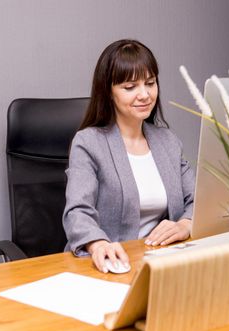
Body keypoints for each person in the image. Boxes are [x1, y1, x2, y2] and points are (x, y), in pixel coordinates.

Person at [63, 39, 195, 273]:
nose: (144, 94)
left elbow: (197, 199)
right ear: (109, 92)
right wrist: (97, 243)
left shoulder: (168, 141)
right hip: (108, 266)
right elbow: (77, 211)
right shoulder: (89, 142)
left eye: (150, 83)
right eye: (130, 87)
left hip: (161, 265)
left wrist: (186, 224)